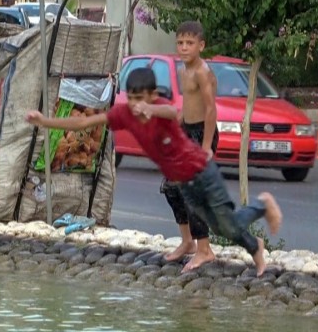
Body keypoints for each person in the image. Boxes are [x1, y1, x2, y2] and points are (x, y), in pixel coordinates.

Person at [25, 67, 282, 276]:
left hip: (202, 171)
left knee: (228, 224)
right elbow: (83, 121)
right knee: (219, 227)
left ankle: (261, 216)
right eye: (133, 98)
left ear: (152, 95)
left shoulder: (160, 110)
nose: (137, 105)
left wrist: (152, 108)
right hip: (184, 182)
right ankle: (256, 236)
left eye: (142, 98)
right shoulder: (124, 114)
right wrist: (44, 122)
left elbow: (175, 112)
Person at [160, 20, 219, 271]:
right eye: (180, 43)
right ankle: (188, 241)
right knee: (171, 188)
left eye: (190, 43)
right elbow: (190, 105)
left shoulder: (202, 72)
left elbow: (210, 110)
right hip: (188, 131)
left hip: (203, 134)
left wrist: (206, 147)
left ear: (201, 45)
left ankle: (204, 249)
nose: (184, 47)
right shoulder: (183, 71)